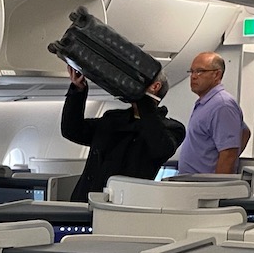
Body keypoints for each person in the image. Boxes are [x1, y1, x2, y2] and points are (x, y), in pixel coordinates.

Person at [60, 68, 185, 202]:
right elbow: (72, 130)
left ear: (155, 87)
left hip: (123, 207)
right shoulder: (112, 119)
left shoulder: (172, 129)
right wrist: (78, 90)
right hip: (85, 201)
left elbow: (159, 147)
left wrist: (143, 99)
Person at [178, 52, 249, 175]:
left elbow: (229, 154)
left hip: (206, 188)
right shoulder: (207, 103)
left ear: (217, 74)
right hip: (192, 184)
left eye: (200, 71)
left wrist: (216, 188)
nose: (193, 76)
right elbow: (245, 132)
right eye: (192, 71)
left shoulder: (222, 105)